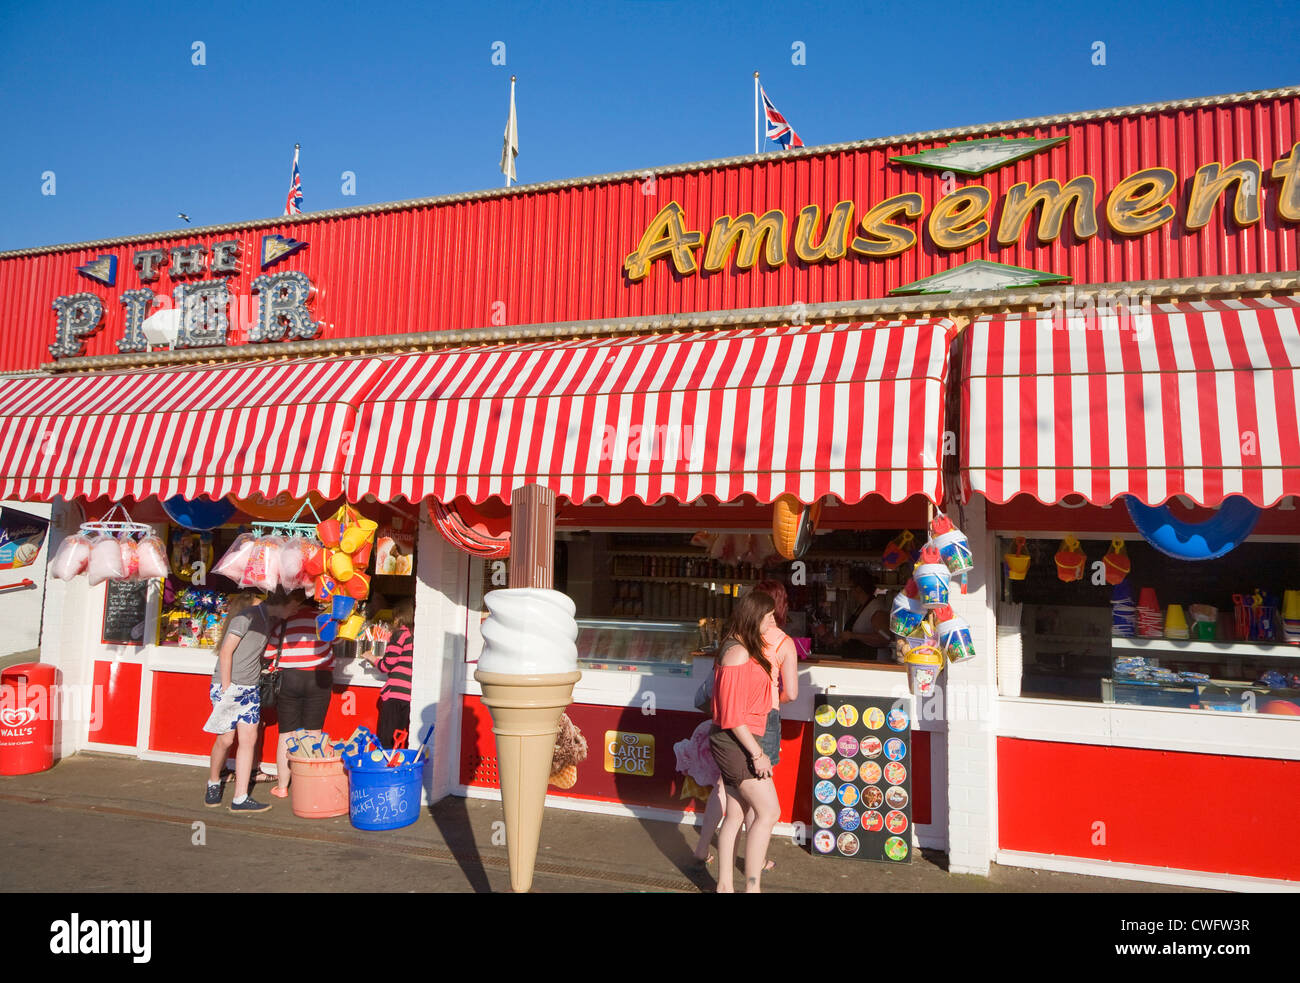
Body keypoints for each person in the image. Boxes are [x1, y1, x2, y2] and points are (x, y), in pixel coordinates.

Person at [693, 581, 798, 869]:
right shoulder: (776, 643)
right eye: (769, 615)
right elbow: (791, 692)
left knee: (734, 799)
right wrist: (769, 699)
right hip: (759, 723)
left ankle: (705, 851)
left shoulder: (746, 641)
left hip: (736, 727)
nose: (773, 619)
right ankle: (755, 864)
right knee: (761, 804)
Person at [708, 590, 781, 893]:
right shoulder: (737, 652)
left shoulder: (739, 646)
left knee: (736, 813)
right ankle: (752, 888)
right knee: (769, 812)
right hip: (738, 742)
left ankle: (726, 886)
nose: (773, 622)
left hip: (740, 739)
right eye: (769, 617)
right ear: (755, 617)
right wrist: (757, 754)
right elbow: (732, 715)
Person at [205, 588, 299, 812]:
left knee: (249, 739)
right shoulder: (246, 616)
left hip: (249, 688)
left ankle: (240, 797)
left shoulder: (270, 620)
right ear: (284, 604)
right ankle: (213, 781)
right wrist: (228, 691)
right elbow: (226, 652)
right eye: (294, 605)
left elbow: (252, 653)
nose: (296, 610)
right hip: (227, 685)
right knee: (226, 740)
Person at [270, 590, 336, 798]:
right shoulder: (323, 620)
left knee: (286, 734)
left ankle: (282, 787)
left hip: (289, 679)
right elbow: (339, 641)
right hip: (319, 679)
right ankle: (310, 785)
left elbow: (269, 653)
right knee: (313, 734)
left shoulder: (284, 620)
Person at [359, 599, 414, 748]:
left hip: (395, 694)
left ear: (398, 618)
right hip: (409, 695)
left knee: (386, 740)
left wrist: (371, 657)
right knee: (402, 741)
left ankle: (385, 768)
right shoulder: (414, 636)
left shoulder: (399, 634)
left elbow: (387, 665)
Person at [841, 569, 898, 663]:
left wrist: (854, 636)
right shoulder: (860, 608)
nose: (850, 591)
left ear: (858, 588)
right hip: (860, 660)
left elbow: (885, 638)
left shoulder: (876, 609)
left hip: (874, 662)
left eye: (851, 587)